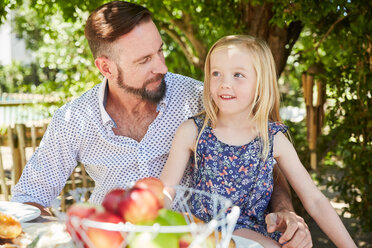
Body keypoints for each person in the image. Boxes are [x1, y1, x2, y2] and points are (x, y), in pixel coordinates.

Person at [11, 1, 310, 246]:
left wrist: (284, 210)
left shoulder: (199, 98)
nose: (162, 67)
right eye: (144, 60)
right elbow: (29, 199)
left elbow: (263, 155)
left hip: (195, 240)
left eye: (160, 50)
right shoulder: (73, 119)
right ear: (106, 67)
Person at [160, 35, 356, 247]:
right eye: (216, 73)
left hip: (249, 233)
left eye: (238, 75)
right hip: (202, 232)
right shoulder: (193, 131)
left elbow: (316, 201)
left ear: (260, 83)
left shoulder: (273, 139)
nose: (225, 83)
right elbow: (164, 192)